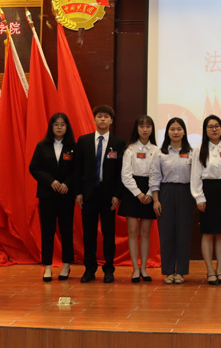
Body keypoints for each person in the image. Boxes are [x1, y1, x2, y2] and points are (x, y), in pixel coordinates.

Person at [74, 104, 126, 284]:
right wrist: (78, 192)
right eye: (99, 116)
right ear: (94, 119)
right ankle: (89, 269)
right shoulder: (84, 141)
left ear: (111, 120)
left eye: (106, 116)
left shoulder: (118, 143)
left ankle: (109, 269)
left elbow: (121, 172)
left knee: (108, 234)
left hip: (108, 196)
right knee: (89, 234)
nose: (102, 119)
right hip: (88, 195)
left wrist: (117, 195)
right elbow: (77, 169)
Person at [28, 112, 77, 282]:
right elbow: (34, 168)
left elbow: (77, 170)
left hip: (66, 195)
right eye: (56, 124)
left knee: (66, 230)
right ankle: (47, 266)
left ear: (67, 127)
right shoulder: (42, 146)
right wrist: (50, 181)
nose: (59, 127)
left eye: (62, 124)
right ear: (51, 127)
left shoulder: (73, 146)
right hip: (47, 195)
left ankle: (66, 265)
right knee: (47, 231)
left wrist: (67, 184)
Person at [190, 114, 221, 285]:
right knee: (208, 233)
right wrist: (199, 197)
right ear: (205, 130)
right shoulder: (199, 149)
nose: (214, 129)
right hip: (207, 192)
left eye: (217, 126)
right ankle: (210, 271)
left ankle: (220, 271)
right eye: (210, 126)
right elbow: (195, 175)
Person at [150, 117, 194, 285]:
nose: (176, 132)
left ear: (184, 132)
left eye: (179, 129)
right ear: (167, 132)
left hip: (186, 192)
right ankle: (168, 271)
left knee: (183, 233)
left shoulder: (192, 152)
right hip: (166, 192)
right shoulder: (160, 152)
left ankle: (181, 271)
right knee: (166, 233)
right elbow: (155, 176)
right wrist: (156, 200)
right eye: (172, 129)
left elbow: (196, 176)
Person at [119, 115, 158, 283]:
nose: (145, 129)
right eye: (141, 126)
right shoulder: (130, 149)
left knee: (145, 233)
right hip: (132, 192)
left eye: (148, 126)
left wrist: (149, 193)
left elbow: (156, 174)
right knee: (133, 232)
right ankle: (135, 268)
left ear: (152, 129)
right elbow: (125, 175)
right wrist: (139, 193)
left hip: (150, 190)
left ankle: (144, 268)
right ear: (137, 129)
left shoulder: (156, 150)